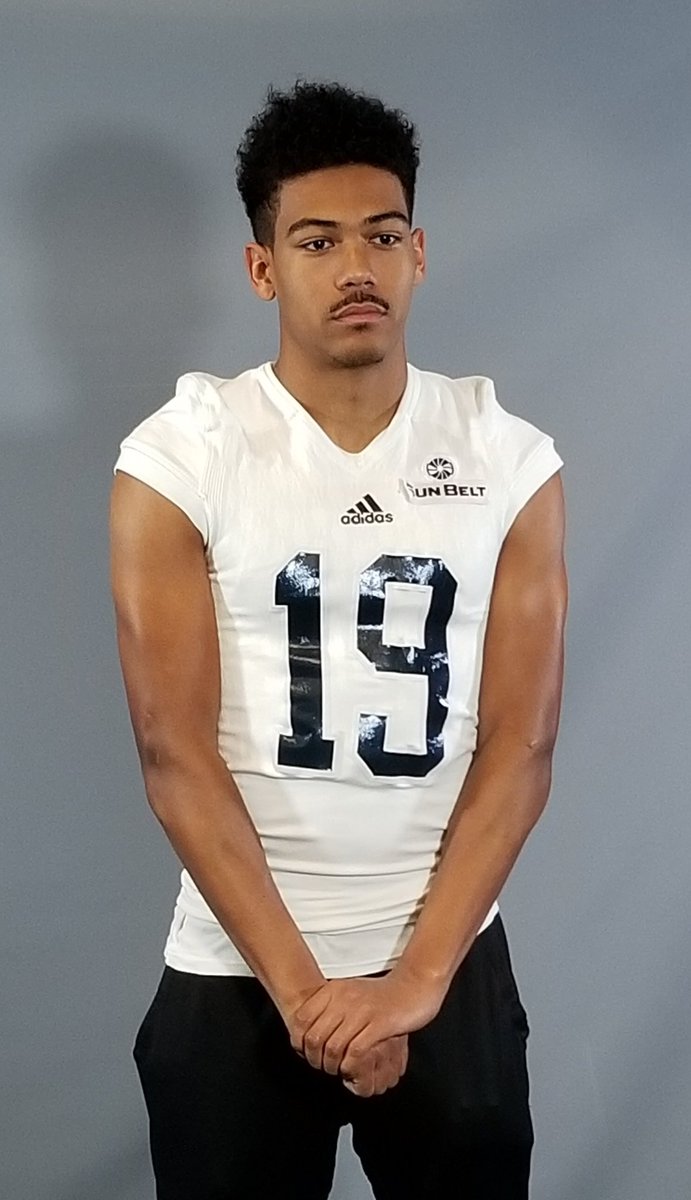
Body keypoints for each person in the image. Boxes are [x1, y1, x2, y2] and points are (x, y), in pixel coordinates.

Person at [109, 78, 567, 1200]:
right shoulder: (184, 453)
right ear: (262, 268)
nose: (356, 265)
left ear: (419, 253)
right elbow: (173, 752)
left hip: (444, 956)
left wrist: (413, 984)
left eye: (382, 235)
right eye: (317, 241)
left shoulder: (506, 456)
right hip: (238, 964)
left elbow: (520, 745)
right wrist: (308, 996)